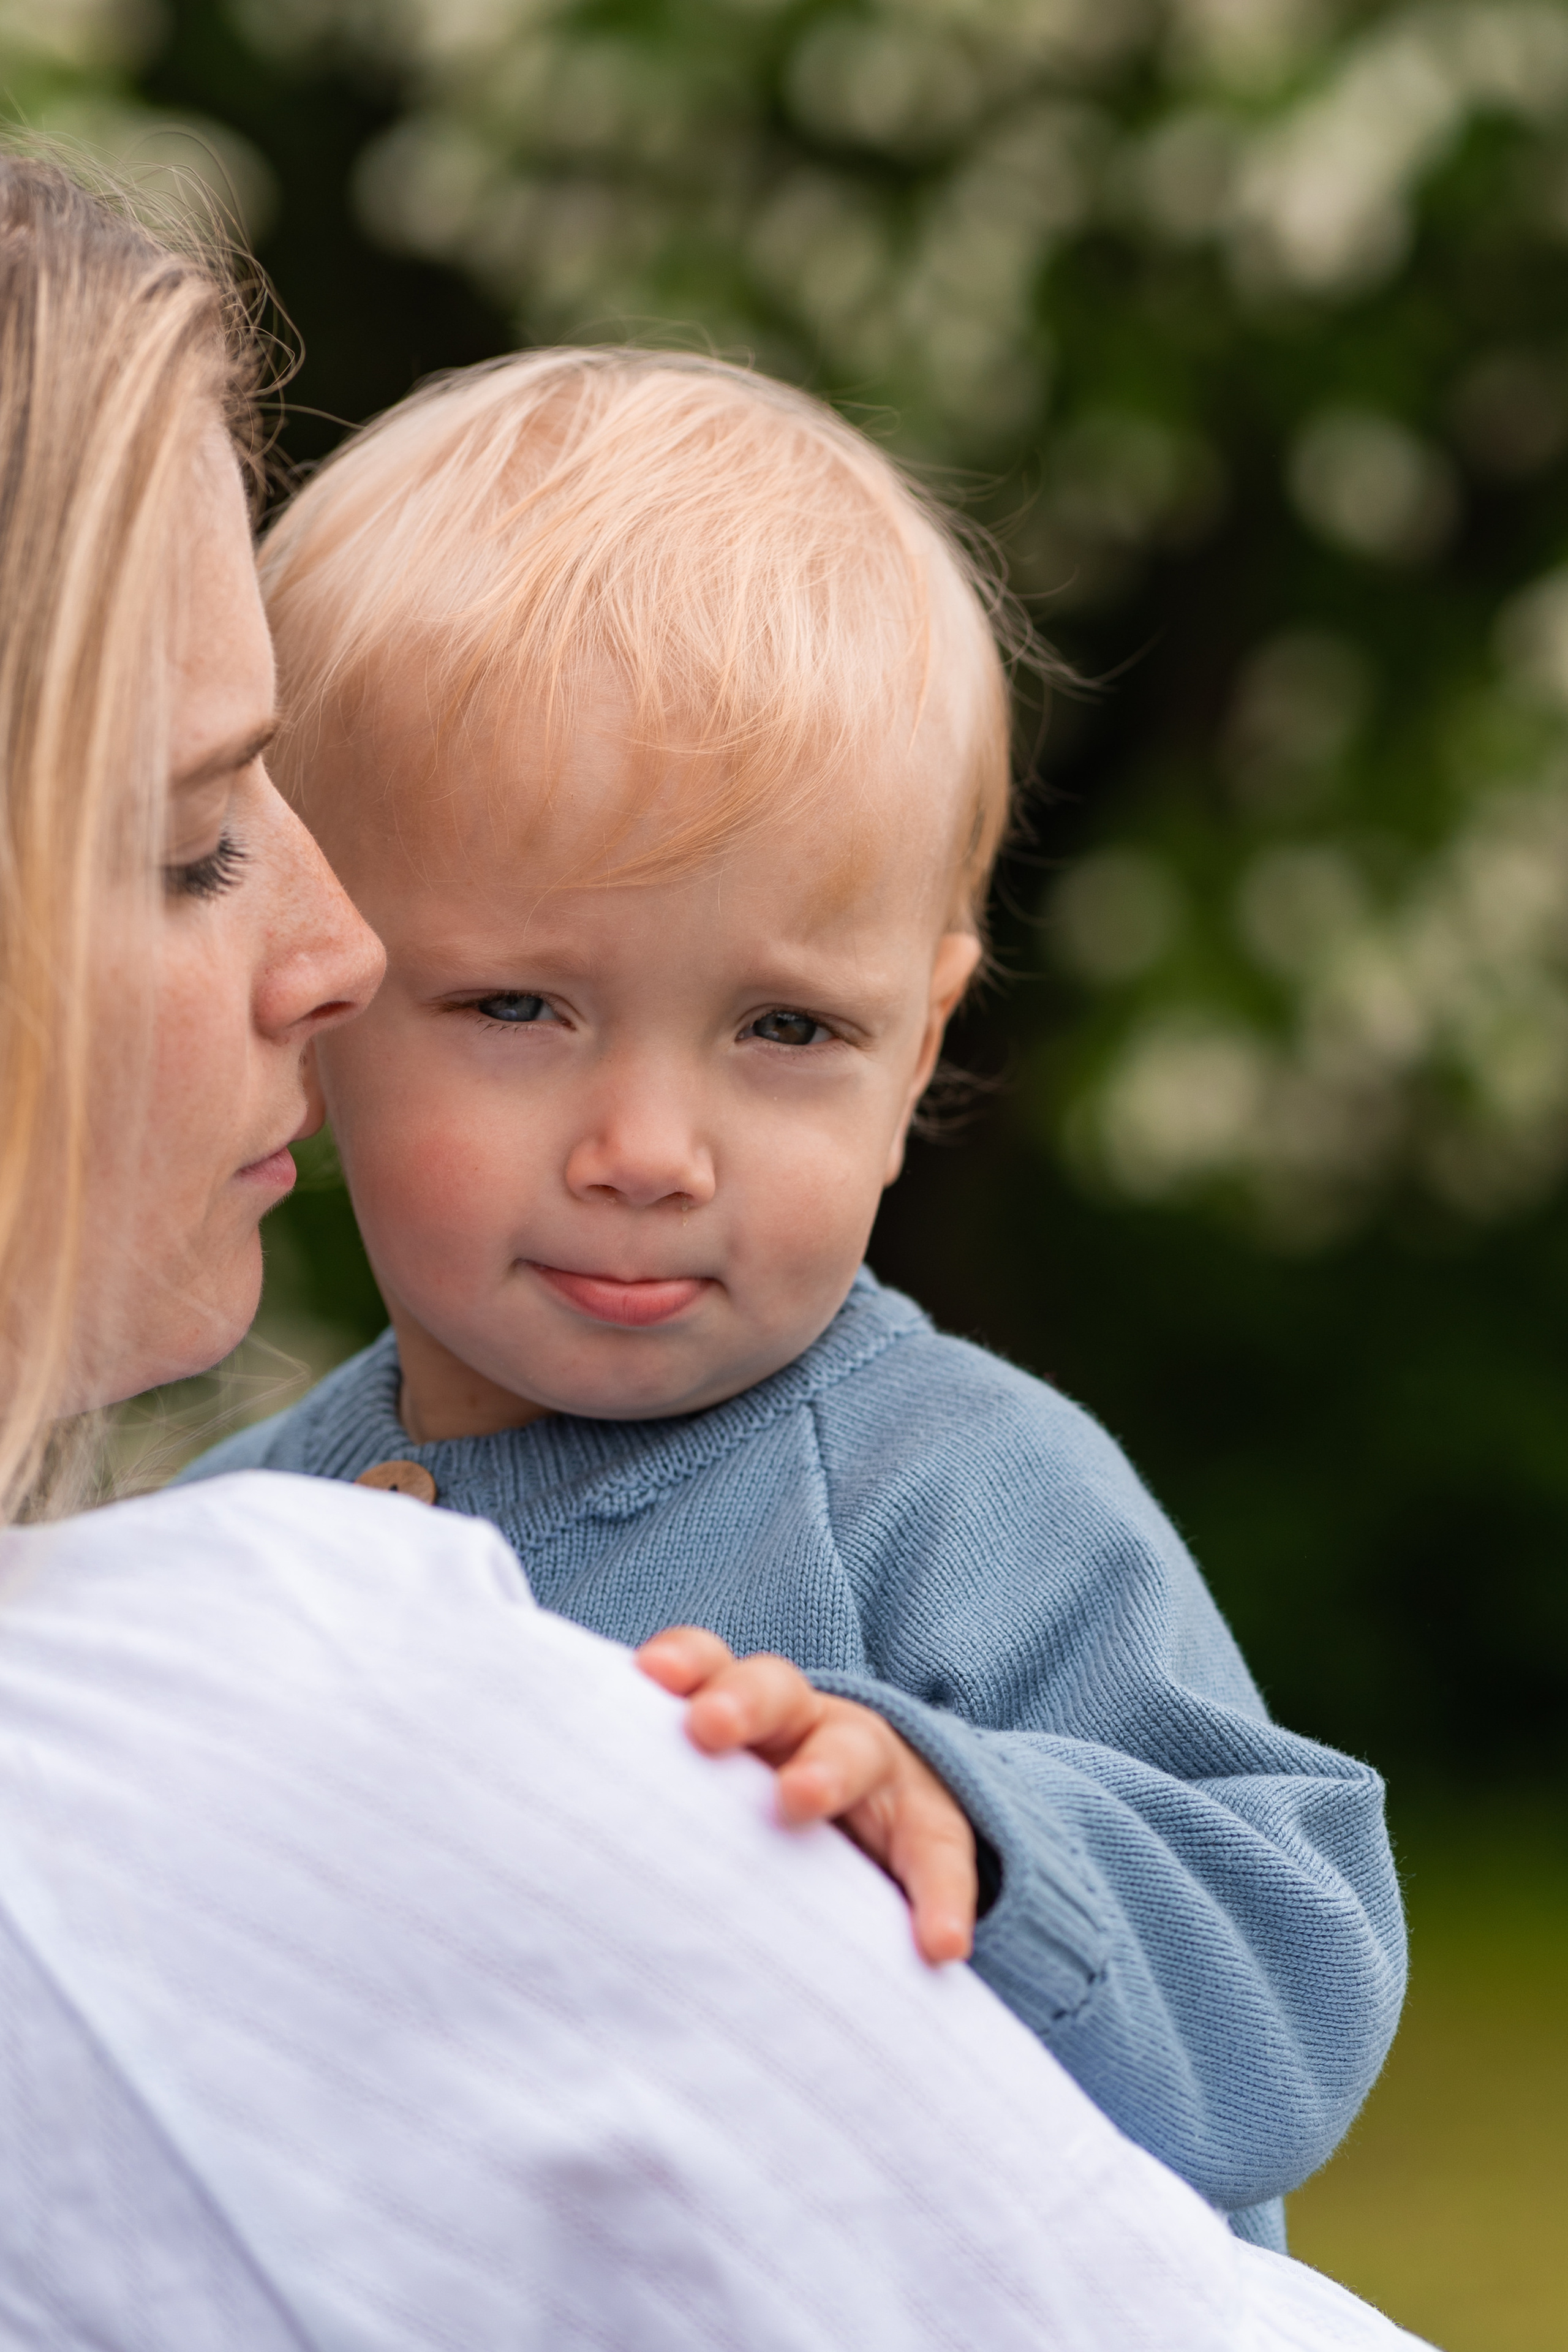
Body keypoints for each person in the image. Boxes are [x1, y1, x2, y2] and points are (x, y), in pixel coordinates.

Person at [0, 147, 1429, 2350]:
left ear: (924, 1027)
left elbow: (1301, 1956)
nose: (651, 1148)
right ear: (347, 973)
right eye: (518, 1010)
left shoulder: (960, 1492)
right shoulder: (238, 1549)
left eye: (785, 1029)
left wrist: (974, 1821)